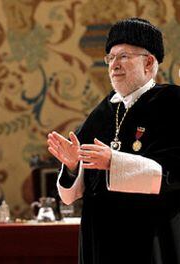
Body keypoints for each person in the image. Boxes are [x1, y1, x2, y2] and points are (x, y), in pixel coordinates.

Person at [47, 18, 180, 263]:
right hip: (99, 241)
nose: (113, 65)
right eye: (110, 57)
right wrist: (73, 166)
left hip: (147, 240)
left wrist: (114, 162)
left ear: (149, 62)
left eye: (123, 57)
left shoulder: (171, 102)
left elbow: (173, 173)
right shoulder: (105, 110)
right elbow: (72, 194)